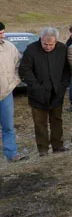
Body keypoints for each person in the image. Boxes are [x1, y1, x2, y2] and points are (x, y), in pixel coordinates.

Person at [19, 27, 70, 156]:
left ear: (56, 41)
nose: (47, 47)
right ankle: (43, 149)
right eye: (45, 44)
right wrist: (35, 87)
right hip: (37, 94)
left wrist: (63, 85)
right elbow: (24, 70)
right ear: (41, 39)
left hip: (57, 92)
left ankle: (58, 145)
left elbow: (67, 69)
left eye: (51, 44)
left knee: (57, 120)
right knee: (40, 123)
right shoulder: (31, 49)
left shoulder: (62, 49)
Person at [0, 22, 28, 162]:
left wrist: (15, 81)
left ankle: (12, 154)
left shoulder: (10, 47)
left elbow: (20, 65)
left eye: (3, 32)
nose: (2, 36)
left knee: (8, 126)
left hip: (6, 93)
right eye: (0, 33)